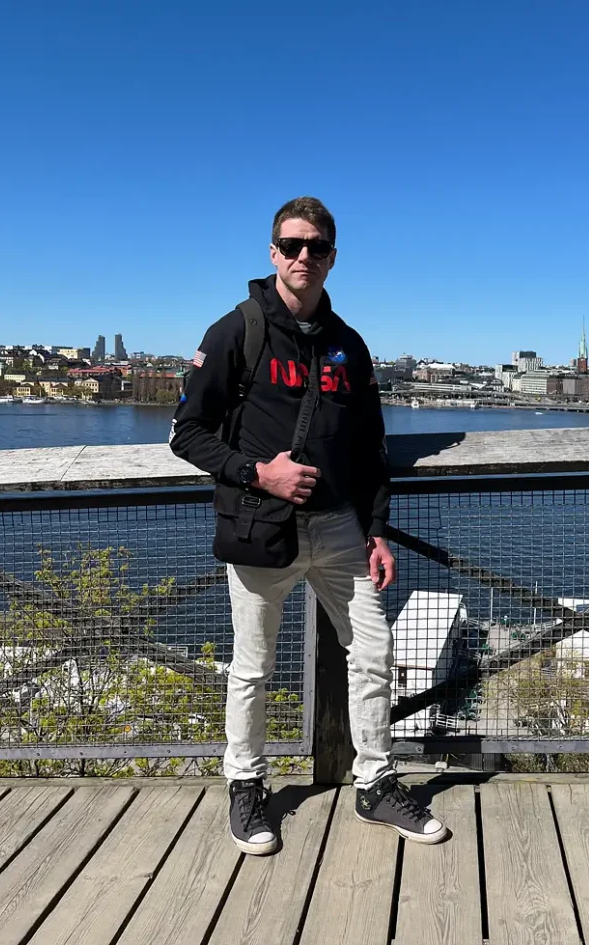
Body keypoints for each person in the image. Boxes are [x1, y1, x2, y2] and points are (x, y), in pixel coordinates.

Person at [170, 196, 447, 854]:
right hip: (262, 526)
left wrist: (377, 529)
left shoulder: (349, 344)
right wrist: (257, 473)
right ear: (273, 253)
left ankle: (374, 784)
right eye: (292, 245)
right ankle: (245, 784)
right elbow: (186, 432)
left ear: (331, 257)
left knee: (374, 653)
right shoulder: (236, 331)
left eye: (316, 247)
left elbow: (370, 448)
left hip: (341, 530)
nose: (303, 256)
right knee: (253, 668)